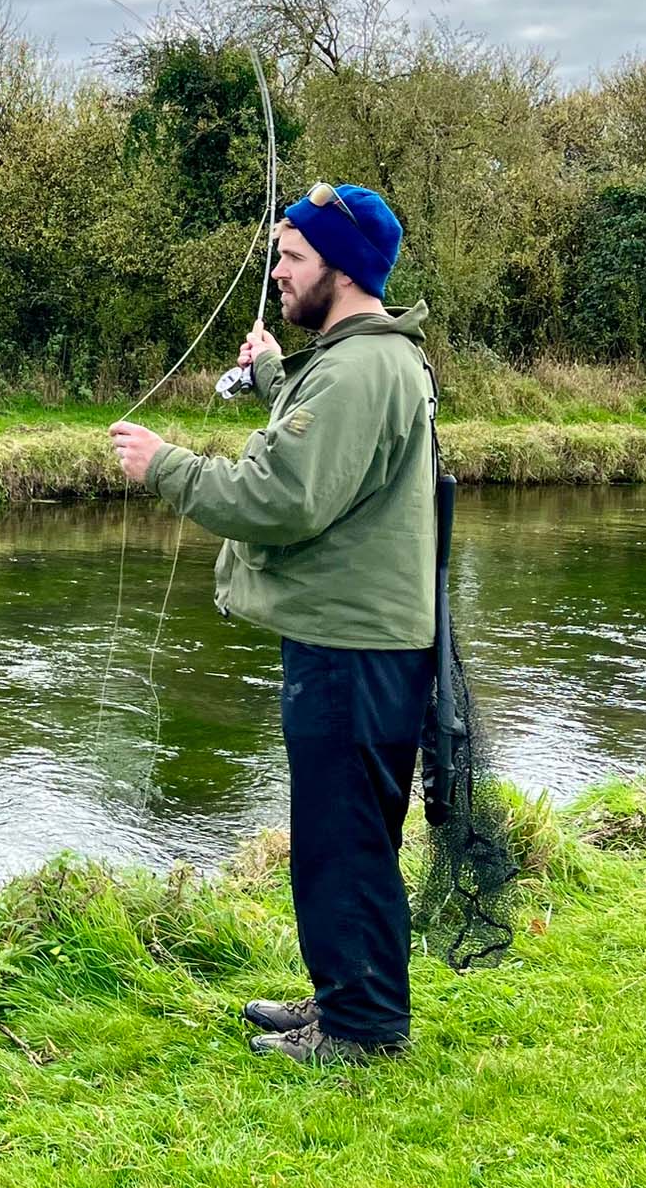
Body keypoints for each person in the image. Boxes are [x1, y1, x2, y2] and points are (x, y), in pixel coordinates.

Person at [107, 183, 437, 1065]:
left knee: (345, 839)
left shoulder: (362, 367)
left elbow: (283, 494)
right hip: (356, 640)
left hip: (354, 647)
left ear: (340, 266)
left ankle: (363, 1029)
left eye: (291, 256)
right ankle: (345, 999)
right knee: (340, 832)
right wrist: (272, 379)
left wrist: (164, 465)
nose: (279, 273)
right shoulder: (356, 360)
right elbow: (323, 443)